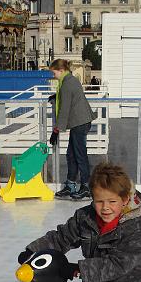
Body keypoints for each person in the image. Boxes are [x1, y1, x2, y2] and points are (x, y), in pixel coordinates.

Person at [49, 59, 97, 201]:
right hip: (80, 121)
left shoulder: (67, 84)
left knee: (79, 154)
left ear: (61, 70)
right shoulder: (69, 80)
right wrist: (57, 96)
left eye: (54, 72)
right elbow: (68, 98)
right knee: (71, 154)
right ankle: (71, 184)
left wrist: (56, 130)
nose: (53, 75)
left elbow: (64, 110)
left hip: (80, 122)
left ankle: (86, 187)